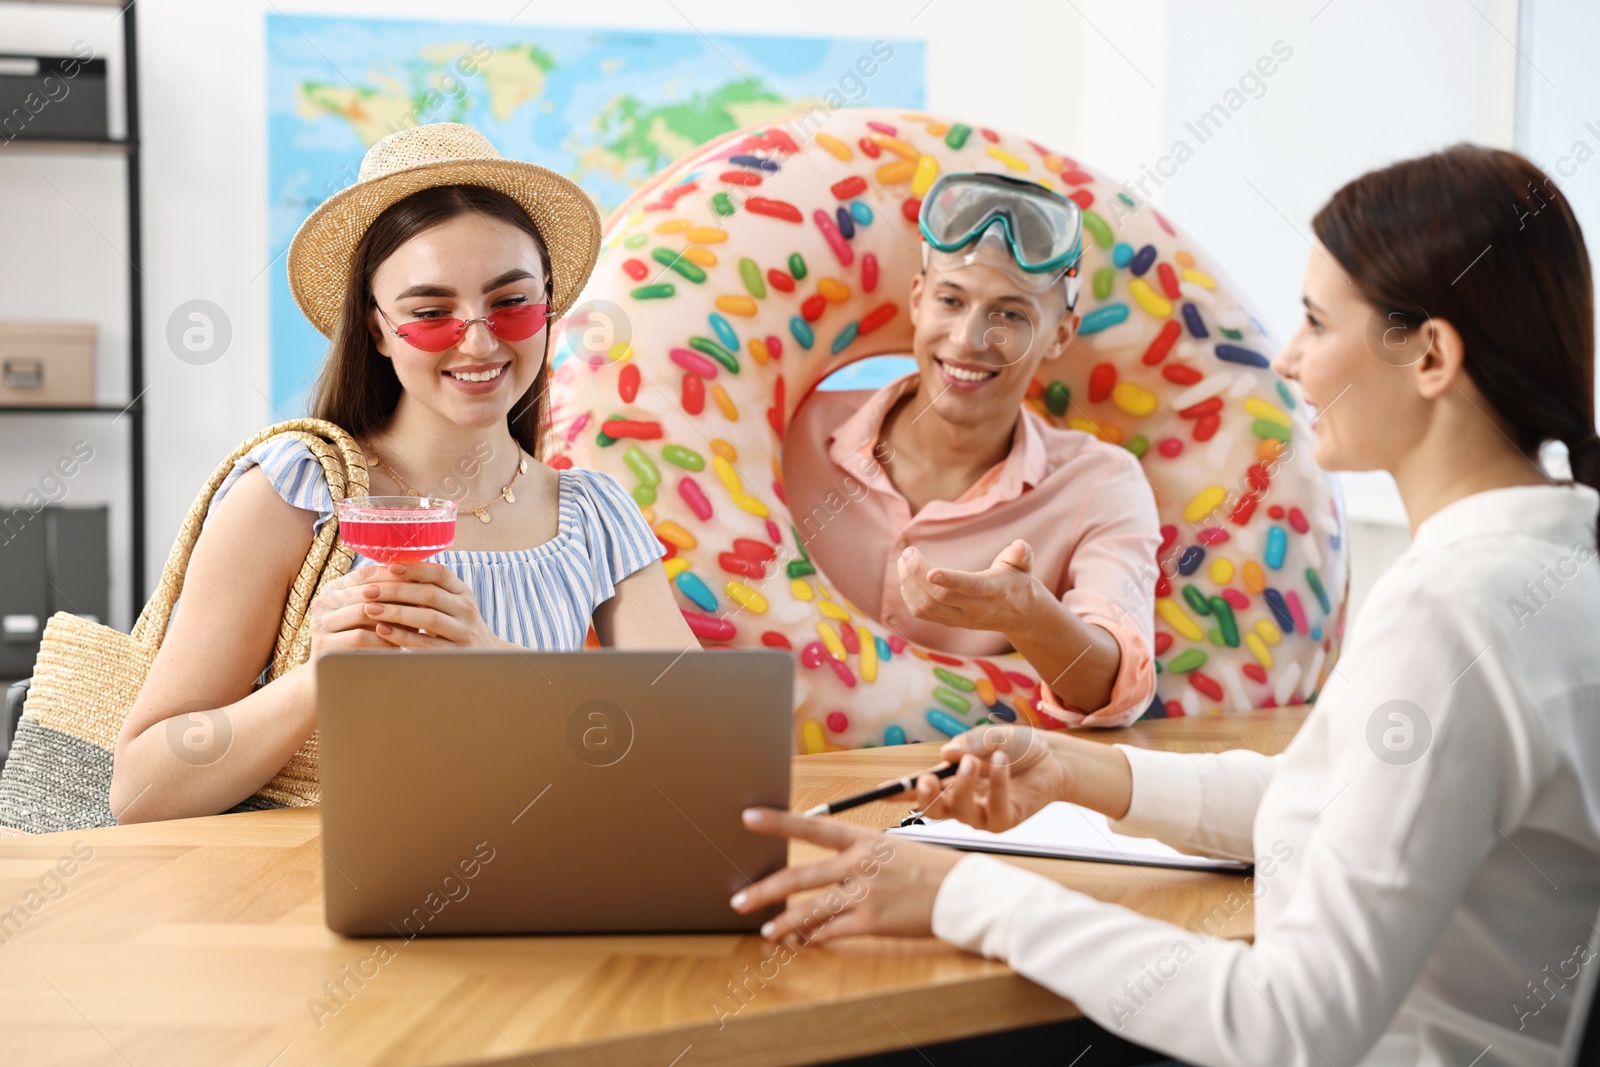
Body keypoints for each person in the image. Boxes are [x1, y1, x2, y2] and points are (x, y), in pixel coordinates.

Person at [732, 144, 1600, 1066]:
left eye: (1313, 321)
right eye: (950, 299)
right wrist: (1078, 774)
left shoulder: (1454, 612)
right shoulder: (1548, 567)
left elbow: (1289, 1026)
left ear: (1429, 355)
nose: (1292, 360)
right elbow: (1345, 798)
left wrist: (959, 894)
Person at [111, 124, 692, 823]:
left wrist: (504, 668)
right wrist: (318, 681)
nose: (479, 339)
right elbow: (141, 787)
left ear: (549, 307)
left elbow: (699, 740)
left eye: (511, 302)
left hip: (550, 880)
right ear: (379, 328)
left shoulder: (593, 511)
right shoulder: (296, 490)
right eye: (430, 312)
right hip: (320, 906)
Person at [784, 173, 1161, 727]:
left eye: (1010, 314)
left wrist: (1027, 615)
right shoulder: (798, 431)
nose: (968, 339)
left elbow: (1114, 688)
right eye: (950, 300)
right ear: (918, 300)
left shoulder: (1099, 483)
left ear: (1059, 335)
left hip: (972, 796)